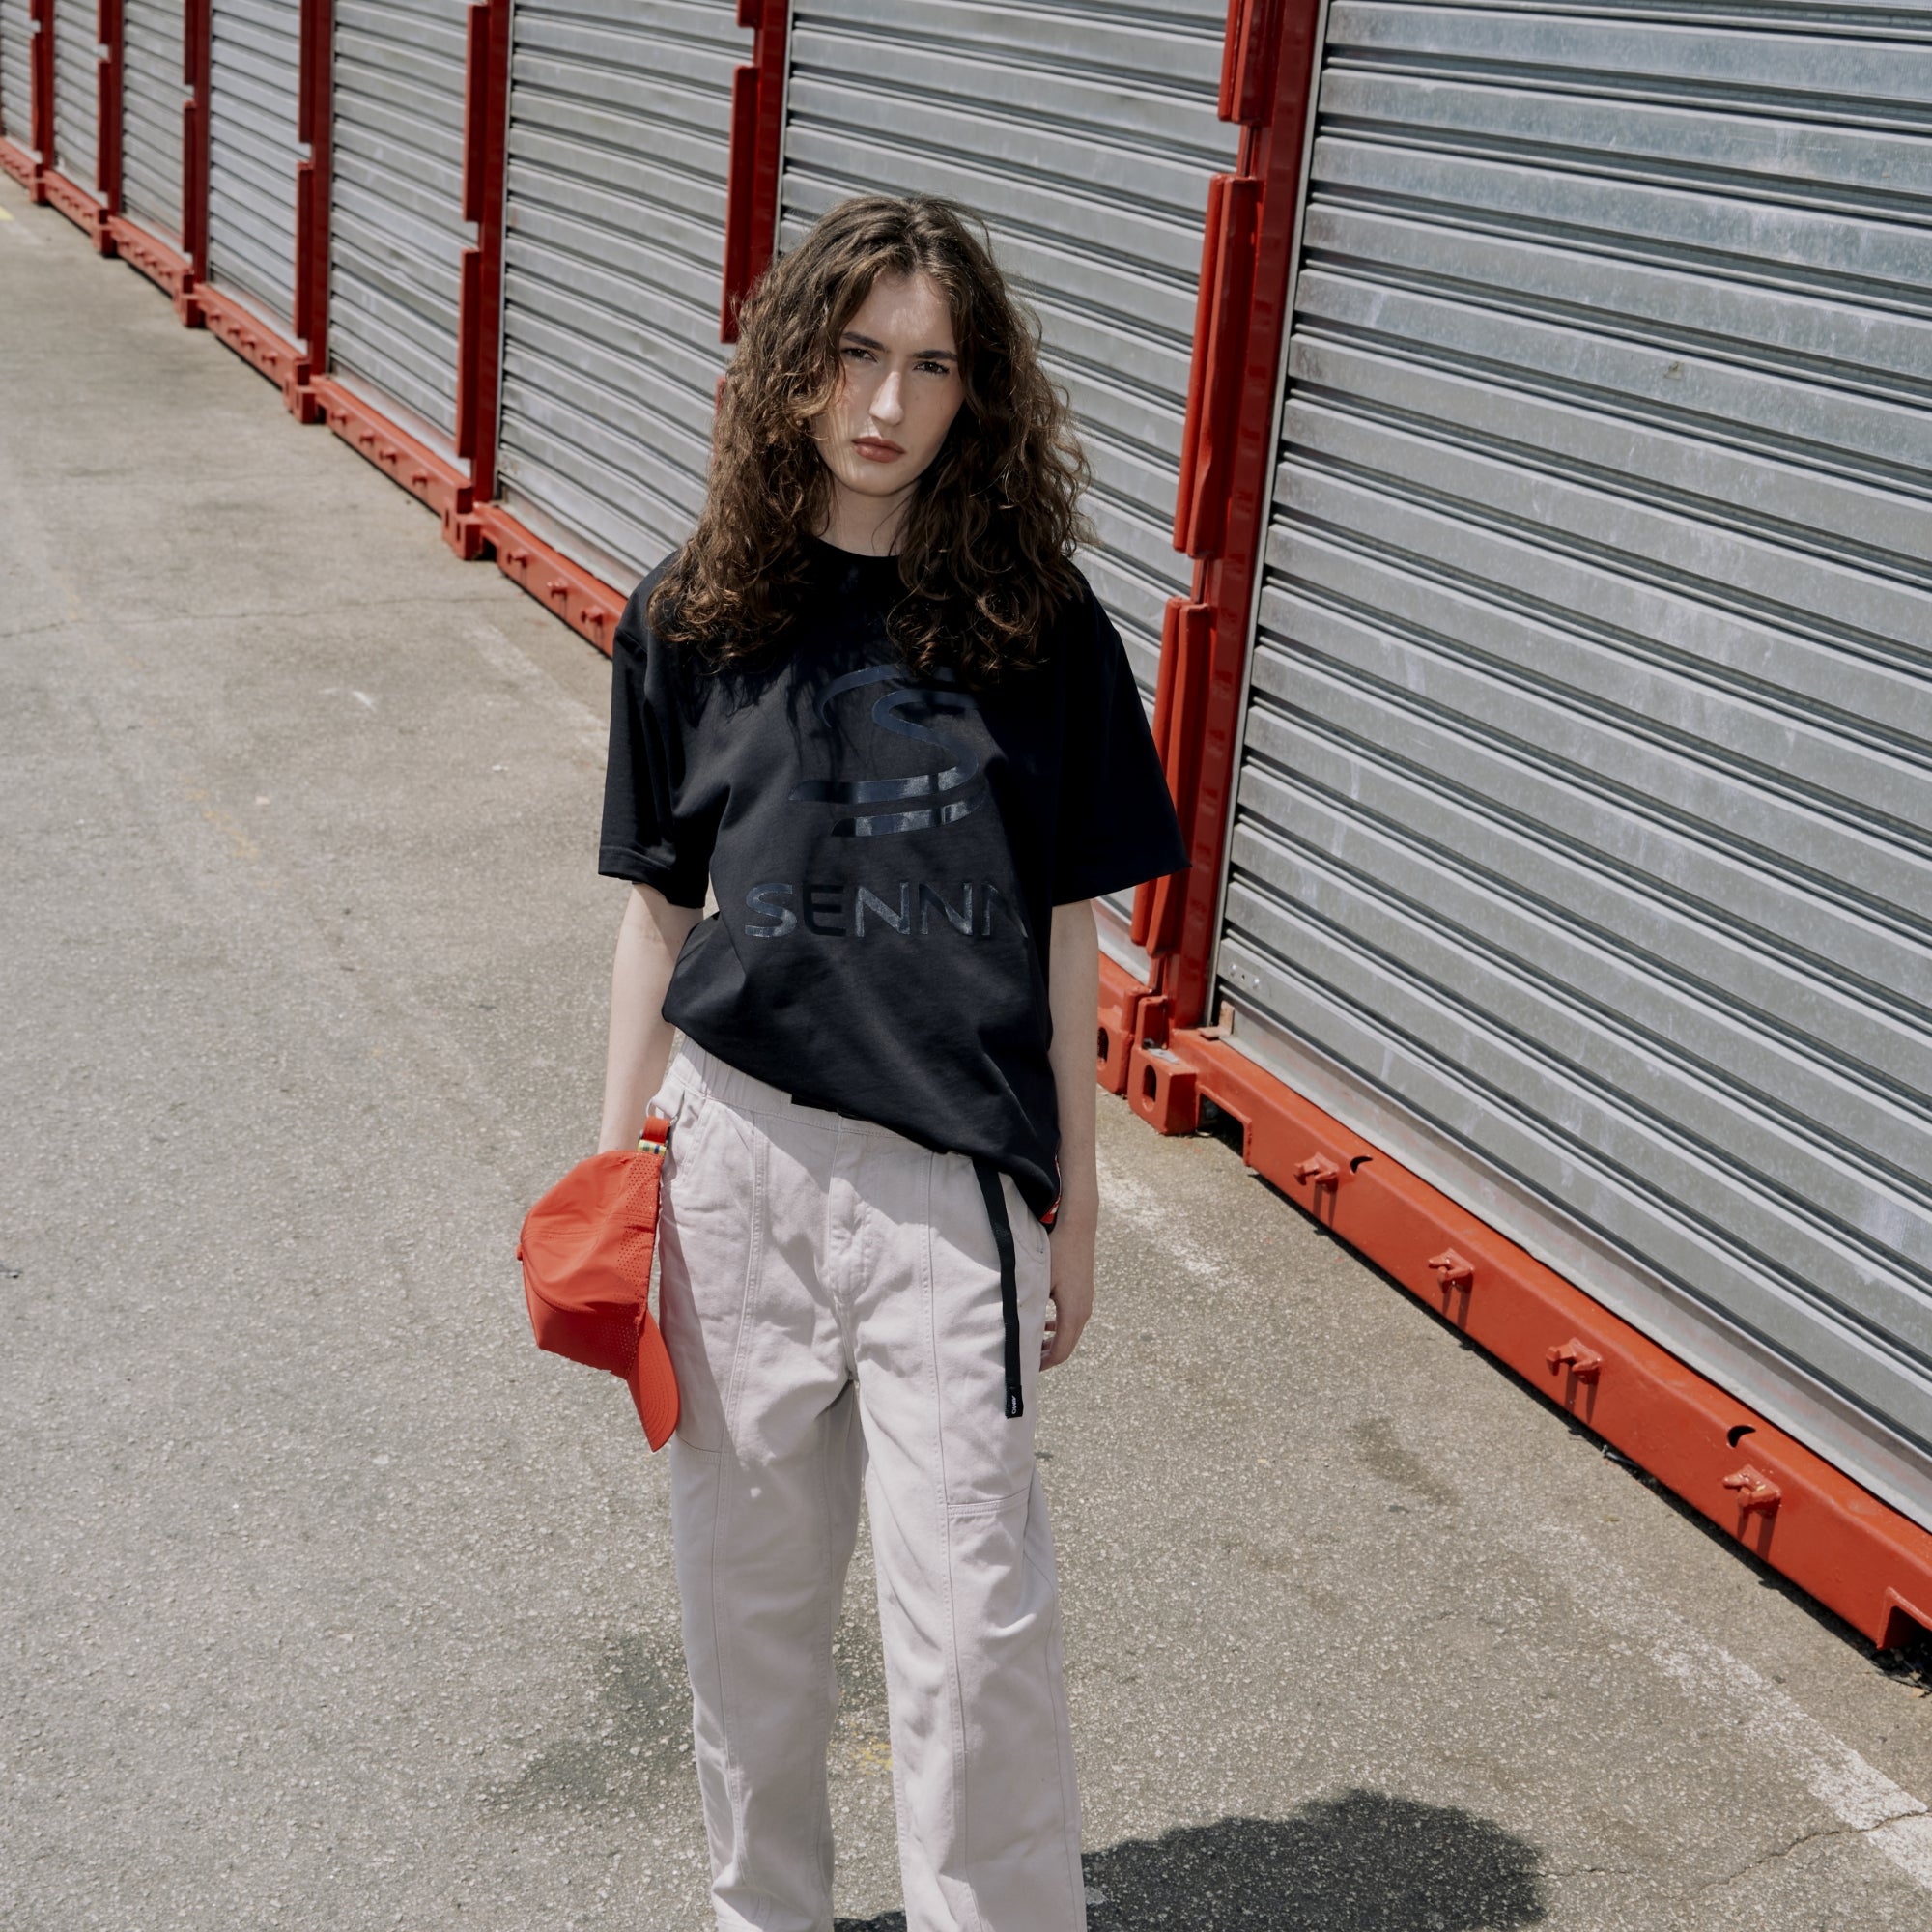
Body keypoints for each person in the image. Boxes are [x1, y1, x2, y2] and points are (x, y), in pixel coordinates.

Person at [594, 193, 1187, 1932]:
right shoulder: (692, 613)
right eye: (856, 354)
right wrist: (612, 1173)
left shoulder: (1040, 627)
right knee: (749, 1628)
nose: (885, 402)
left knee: (976, 1646)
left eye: (931, 365)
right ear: (794, 368)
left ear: (974, 396)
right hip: (734, 1166)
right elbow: (655, 919)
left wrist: (1076, 1213)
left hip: (951, 1194)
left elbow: (1075, 935)